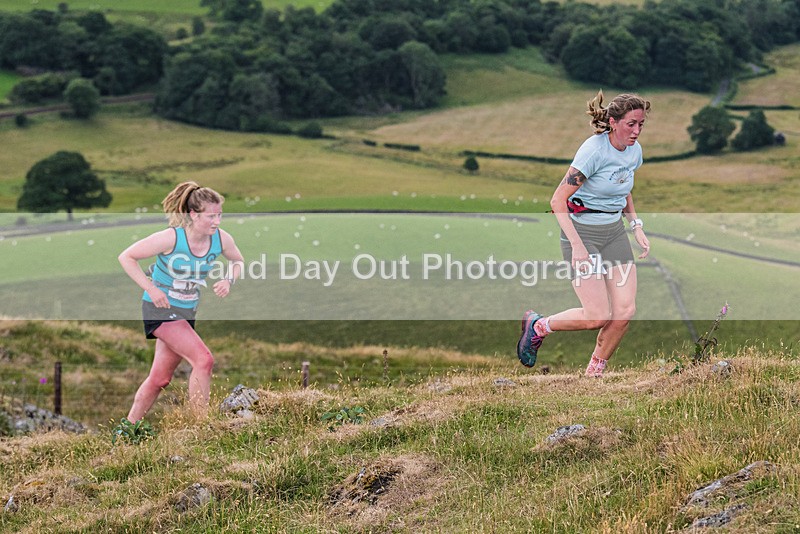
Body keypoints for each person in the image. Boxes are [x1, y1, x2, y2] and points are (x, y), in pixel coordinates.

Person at [517, 90, 651, 377]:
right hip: (582, 234)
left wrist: (636, 226)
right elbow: (557, 200)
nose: (637, 131)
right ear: (613, 122)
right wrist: (577, 247)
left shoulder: (634, 151)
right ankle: (539, 326)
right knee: (596, 316)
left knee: (624, 312)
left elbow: (623, 188)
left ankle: (594, 374)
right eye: (631, 124)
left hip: (614, 233)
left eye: (641, 124)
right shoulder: (593, 151)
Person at [118, 181, 244, 422]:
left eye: (220, 215)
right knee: (203, 360)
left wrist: (228, 280)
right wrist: (151, 289)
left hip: (186, 312)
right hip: (160, 309)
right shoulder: (171, 238)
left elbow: (238, 261)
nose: (217, 221)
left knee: (160, 379)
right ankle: (201, 425)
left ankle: (126, 430)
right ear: (193, 214)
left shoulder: (221, 239)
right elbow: (127, 257)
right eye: (211, 216)